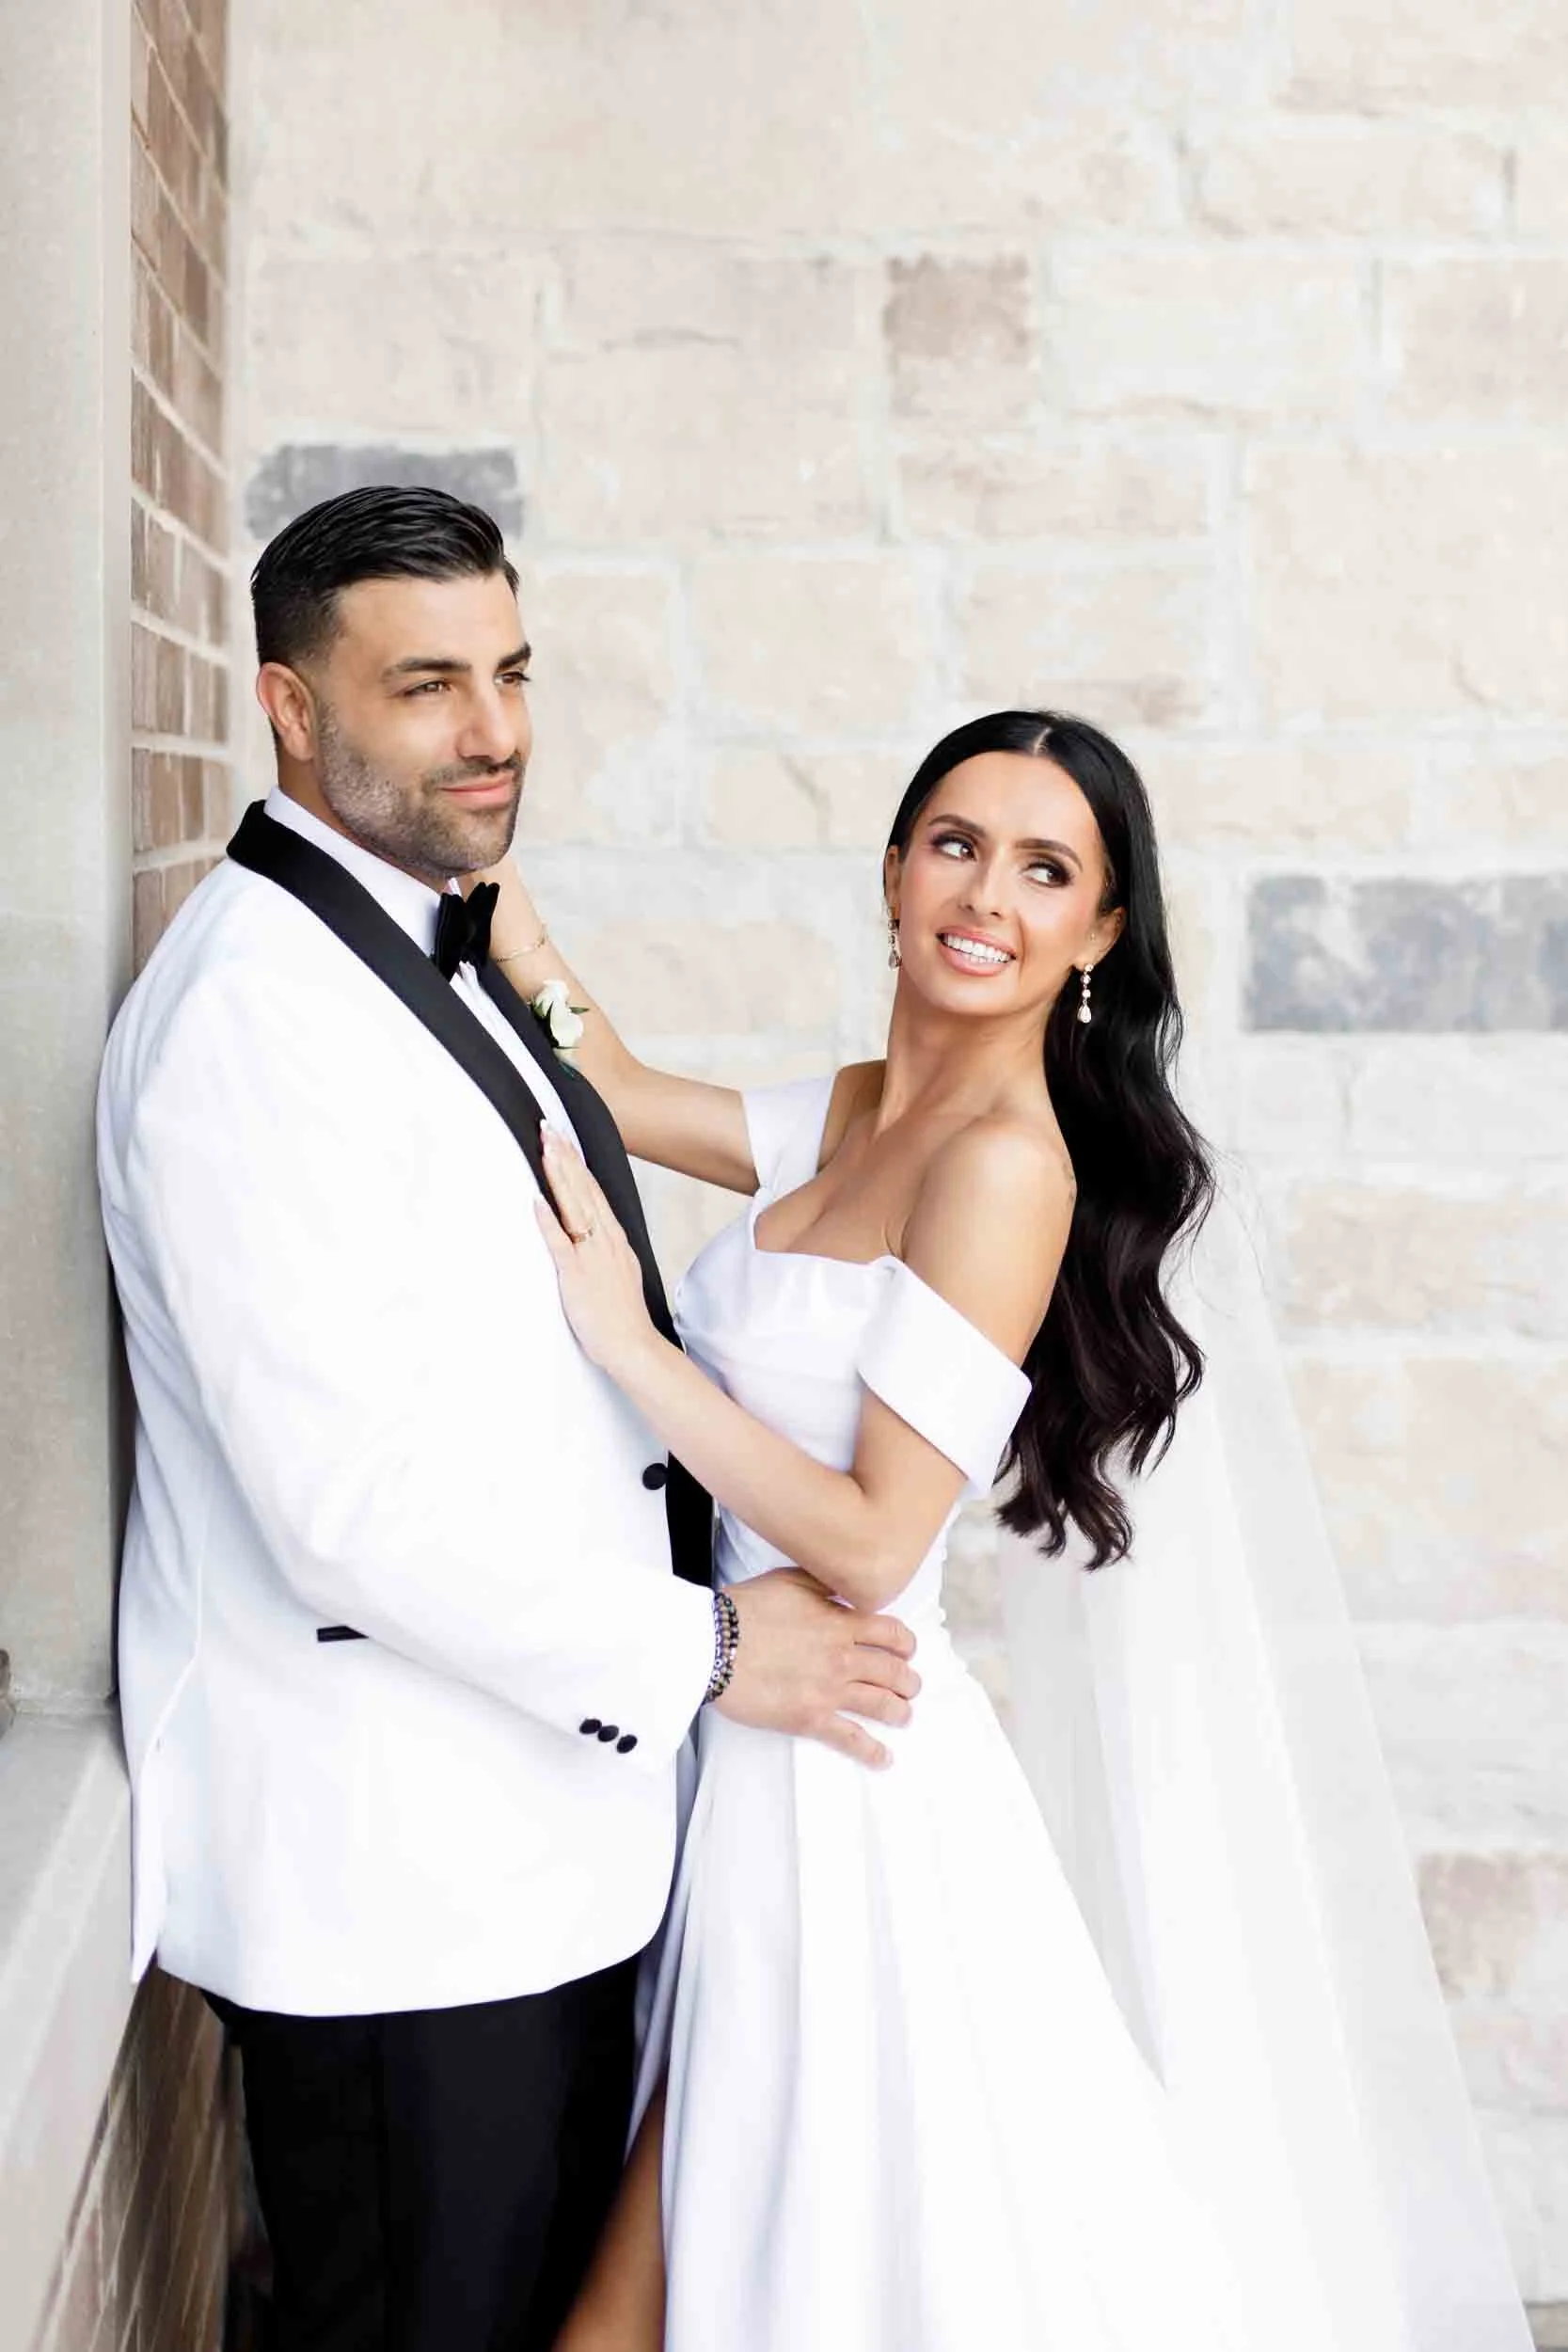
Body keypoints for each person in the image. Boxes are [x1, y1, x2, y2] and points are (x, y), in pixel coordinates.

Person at [482, 709, 1536, 2352]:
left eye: (1047, 870)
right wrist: (489, 867)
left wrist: (627, 1344)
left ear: (1099, 934)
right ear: (893, 868)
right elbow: (607, 1084)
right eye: (958, 843)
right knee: (686, 2239)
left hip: (850, 1765)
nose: (988, 895)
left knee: (768, 2253)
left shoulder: (999, 1168)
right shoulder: (856, 1114)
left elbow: (876, 1538)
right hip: (754, 1736)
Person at [96, 485, 919, 2352]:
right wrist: (714, 1643)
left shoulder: (419, 930)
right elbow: (346, 1510)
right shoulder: (251, 1020)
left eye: (513, 672)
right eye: (427, 686)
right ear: (290, 710)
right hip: (401, 1893)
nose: (494, 729)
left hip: (534, 1847)